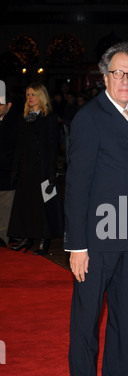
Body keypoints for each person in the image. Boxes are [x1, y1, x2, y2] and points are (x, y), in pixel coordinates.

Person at [64, 42, 128, 376]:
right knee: (86, 322)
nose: (125, 79)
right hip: (96, 241)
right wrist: (76, 245)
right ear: (104, 77)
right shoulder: (89, 118)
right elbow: (77, 185)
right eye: (118, 72)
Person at [7, 82, 63, 254]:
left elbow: (53, 146)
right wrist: (15, 170)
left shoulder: (49, 118)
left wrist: (51, 172)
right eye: (28, 94)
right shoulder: (24, 118)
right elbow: (19, 146)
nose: (29, 98)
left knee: (44, 207)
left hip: (42, 169)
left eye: (33, 94)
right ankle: (27, 238)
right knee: (26, 205)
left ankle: (45, 240)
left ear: (41, 96)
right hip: (26, 169)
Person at [0, 88, 21, 247]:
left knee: (7, 205)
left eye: (1, 105)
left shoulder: (14, 122)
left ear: (9, 105)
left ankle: (4, 236)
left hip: (8, 171)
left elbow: (15, 149)